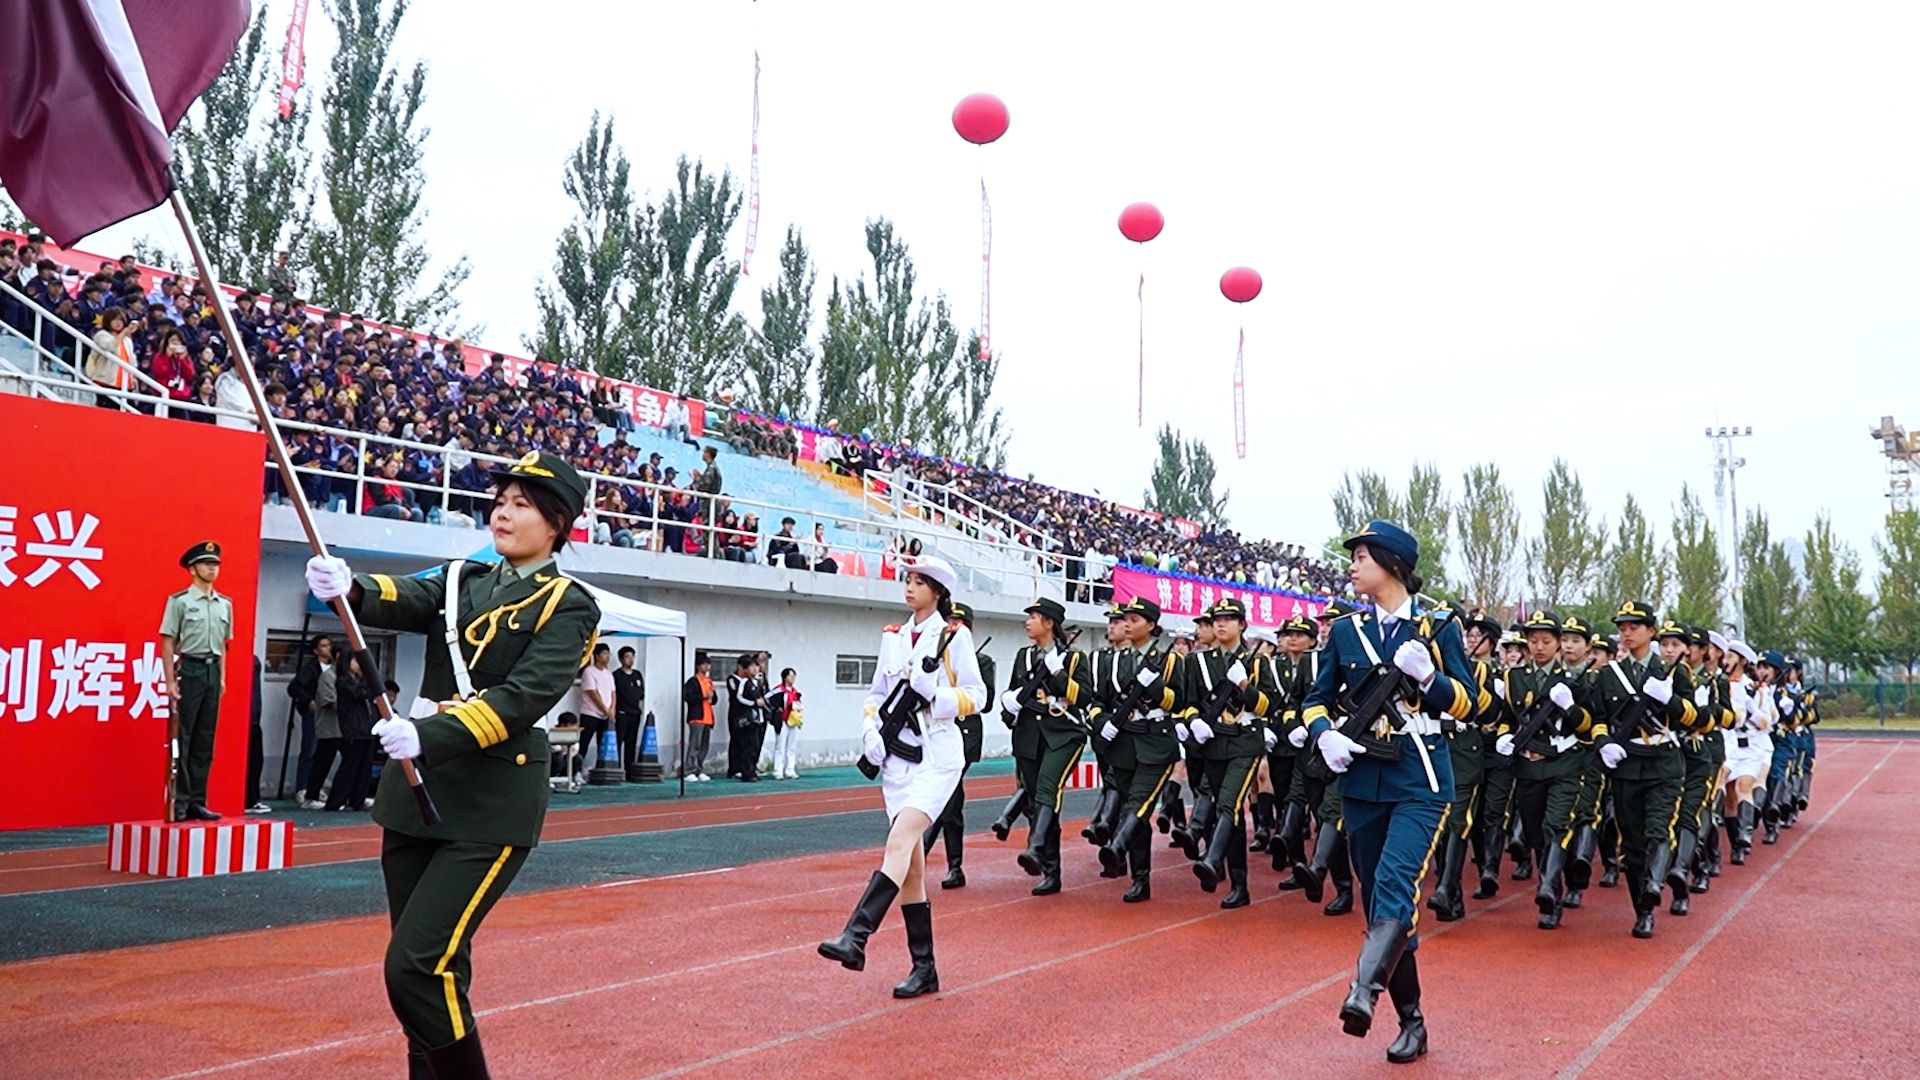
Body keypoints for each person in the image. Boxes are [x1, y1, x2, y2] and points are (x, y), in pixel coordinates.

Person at [303, 449, 602, 1078]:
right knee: (437, 969)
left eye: (522, 505)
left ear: (557, 523)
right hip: (415, 794)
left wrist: (428, 733)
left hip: (489, 804)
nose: (503, 513)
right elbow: (403, 597)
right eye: (501, 502)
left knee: (413, 967)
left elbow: (523, 698)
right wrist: (349, 587)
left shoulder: (568, 604)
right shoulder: (464, 579)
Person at [1303, 521, 1473, 1064]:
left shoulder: (1438, 626)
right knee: (1379, 901)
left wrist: (1430, 680)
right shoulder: (1345, 632)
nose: (1352, 566)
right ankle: (1413, 1021)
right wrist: (1323, 733)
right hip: (1361, 779)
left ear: (1391, 563)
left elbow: (1471, 702)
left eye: (1361, 557)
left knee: (1396, 885)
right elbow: (1316, 698)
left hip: (1420, 778)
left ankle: (1363, 991)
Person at [817, 556, 986, 999]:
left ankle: (856, 935)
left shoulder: (954, 636)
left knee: (899, 840)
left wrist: (937, 695)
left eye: (919, 582)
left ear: (938, 592)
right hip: (897, 762)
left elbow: (977, 696)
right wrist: (870, 730)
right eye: (907, 580)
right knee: (910, 869)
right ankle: (924, 969)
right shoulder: (892, 636)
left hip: (937, 756)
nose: (909, 587)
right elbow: (876, 693)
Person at [1591, 600, 1699, 940]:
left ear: (1651, 631)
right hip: (1626, 766)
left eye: (1634, 627)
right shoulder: (1609, 675)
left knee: (1659, 829)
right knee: (1633, 845)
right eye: (1622, 627)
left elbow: (1694, 718)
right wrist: (1603, 743)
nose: (1627, 632)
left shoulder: (1674, 672)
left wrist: (1670, 700)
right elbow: (1598, 718)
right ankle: (1642, 910)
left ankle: (1654, 885)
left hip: (1663, 762)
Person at [1494, 611, 1588, 931]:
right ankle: (1558, 878)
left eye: (1546, 640)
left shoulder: (1573, 679)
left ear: (1558, 643)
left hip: (1563, 763)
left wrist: (1570, 707)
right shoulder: (1514, 677)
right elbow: (1507, 716)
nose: (1539, 646)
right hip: (1527, 765)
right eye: (1533, 640)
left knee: (1556, 825)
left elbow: (1588, 724)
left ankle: (1548, 889)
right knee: (1535, 832)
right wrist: (1504, 736)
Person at [1181, 598, 1277, 909]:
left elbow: (1266, 705)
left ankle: (1212, 859)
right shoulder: (1198, 662)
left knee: (1229, 802)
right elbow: (1189, 702)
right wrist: (1194, 721)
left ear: (1242, 625)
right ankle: (1239, 884)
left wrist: (1245, 685)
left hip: (1245, 742)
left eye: (1229, 619)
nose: (1221, 624)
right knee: (1231, 813)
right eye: (1217, 619)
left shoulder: (1257, 662)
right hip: (1213, 743)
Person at [1092, 597, 1184, 903]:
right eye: (1125, 619)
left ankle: (1117, 847)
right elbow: (1099, 700)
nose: (1127, 624)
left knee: (1139, 802)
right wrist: (1102, 721)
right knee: (1135, 813)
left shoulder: (1169, 660)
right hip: (1123, 744)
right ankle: (1140, 878)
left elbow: (1178, 702)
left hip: (1156, 742)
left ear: (1151, 625)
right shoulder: (1117, 660)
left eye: (1134, 619)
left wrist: (1154, 685)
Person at [998, 597, 1092, 896]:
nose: (1027, 622)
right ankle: (1050, 870)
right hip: (1028, 734)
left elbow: (1084, 697)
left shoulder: (1073, 658)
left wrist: (1058, 675)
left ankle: (1036, 848)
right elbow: (1015, 690)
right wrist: (1009, 702)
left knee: (1047, 789)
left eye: (1034, 617)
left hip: (1062, 734)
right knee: (1035, 802)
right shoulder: (1023, 656)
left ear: (1049, 623)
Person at [159, 541, 235, 821]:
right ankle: (180, 801)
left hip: (212, 671)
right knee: (184, 738)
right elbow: (168, 642)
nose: (212, 568)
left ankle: (197, 802)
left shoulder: (225, 604)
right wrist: (170, 681)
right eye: (206, 564)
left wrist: (222, 678)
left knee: (205, 739)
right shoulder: (180, 601)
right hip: (189, 668)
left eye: (215, 564)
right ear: (192, 569)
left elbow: (223, 645)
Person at [922, 603, 993, 887]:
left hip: (964, 734)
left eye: (958, 622)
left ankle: (949, 864)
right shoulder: (934, 656)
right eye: (949, 621)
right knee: (940, 799)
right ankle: (938, 862)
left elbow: (984, 702)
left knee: (949, 800)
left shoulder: (981, 661)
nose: (952, 626)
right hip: (935, 733)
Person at [327, 654, 378, 812]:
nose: (358, 664)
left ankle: (358, 799)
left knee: (365, 767)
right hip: (353, 729)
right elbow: (359, 694)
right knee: (350, 766)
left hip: (366, 727)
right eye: (354, 660)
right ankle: (336, 801)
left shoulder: (359, 681)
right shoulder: (343, 682)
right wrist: (369, 680)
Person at [288, 635, 336, 794]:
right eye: (323, 646)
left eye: (329, 645)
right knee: (310, 749)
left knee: (324, 752)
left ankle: (315, 787)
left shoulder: (335, 667)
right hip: (314, 714)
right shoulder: (310, 669)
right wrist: (309, 701)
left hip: (330, 715)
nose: (328, 648)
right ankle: (302, 787)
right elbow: (294, 687)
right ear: (316, 651)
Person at [576, 643, 616, 782]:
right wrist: (605, 709)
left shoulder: (608, 674)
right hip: (590, 713)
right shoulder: (589, 672)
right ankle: (577, 771)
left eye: (608, 654)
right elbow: (593, 693)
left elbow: (613, 693)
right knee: (584, 743)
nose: (607, 657)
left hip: (606, 715)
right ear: (596, 656)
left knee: (602, 744)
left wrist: (612, 709)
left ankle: (600, 771)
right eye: (604, 654)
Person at [727, 655, 767, 781]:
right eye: (751, 667)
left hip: (757, 717)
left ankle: (751, 769)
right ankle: (741, 770)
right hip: (743, 717)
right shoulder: (742, 681)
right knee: (743, 744)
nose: (755, 669)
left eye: (756, 666)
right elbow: (738, 697)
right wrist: (754, 703)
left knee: (755, 745)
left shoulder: (758, 682)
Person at [682, 654, 716, 781]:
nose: (707, 667)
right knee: (694, 745)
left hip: (708, 717)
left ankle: (699, 769)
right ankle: (689, 770)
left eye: (708, 664)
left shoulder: (709, 681)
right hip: (697, 717)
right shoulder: (693, 681)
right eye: (704, 664)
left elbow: (714, 699)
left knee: (704, 746)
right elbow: (688, 697)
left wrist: (712, 697)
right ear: (698, 666)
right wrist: (703, 697)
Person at [613, 646, 646, 778]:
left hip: (635, 713)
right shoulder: (616, 675)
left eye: (632, 656)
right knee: (618, 741)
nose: (630, 659)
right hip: (621, 713)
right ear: (621, 659)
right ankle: (616, 769)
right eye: (627, 657)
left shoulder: (637, 675)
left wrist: (639, 708)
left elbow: (641, 695)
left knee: (631, 743)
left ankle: (629, 770)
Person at [766, 667, 804, 781]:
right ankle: (778, 771)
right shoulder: (779, 690)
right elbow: (767, 698)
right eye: (790, 676)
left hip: (793, 721)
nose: (793, 678)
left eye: (794, 676)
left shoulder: (795, 692)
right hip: (782, 720)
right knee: (780, 746)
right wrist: (776, 709)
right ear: (784, 677)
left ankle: (790, 770)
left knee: (791, 746)